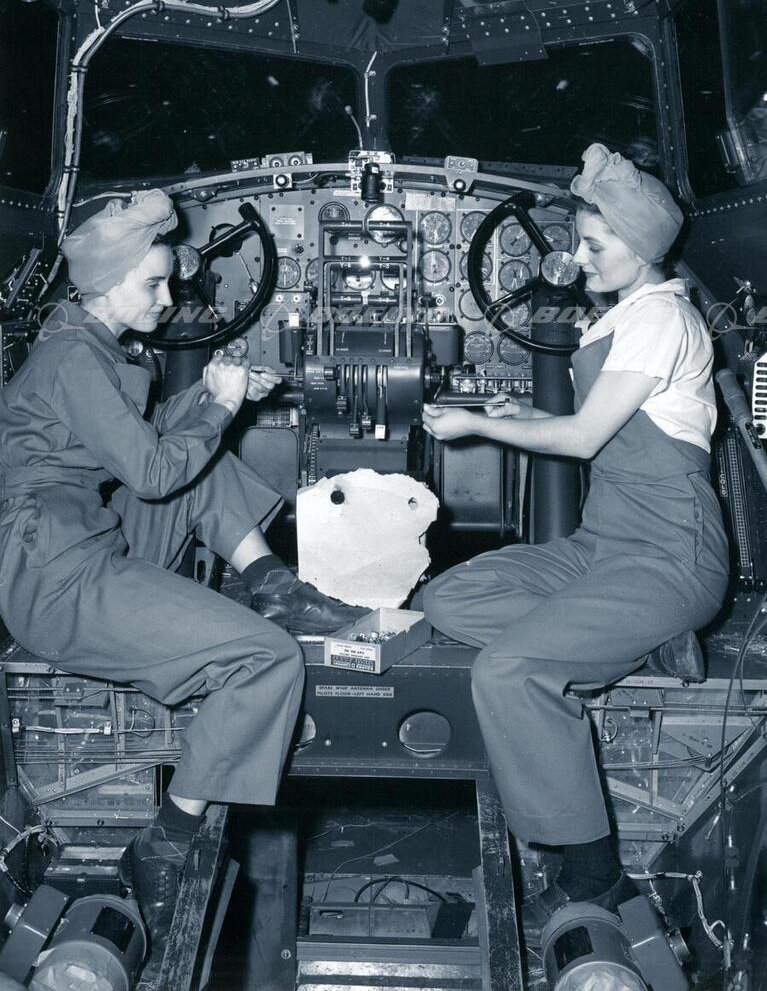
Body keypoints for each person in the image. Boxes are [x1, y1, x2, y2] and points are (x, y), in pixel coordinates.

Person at [0, 189, 364, 959]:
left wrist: (212, 395)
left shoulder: (87, 339)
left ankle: (274, 586)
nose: (168, 301)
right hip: (53, 574)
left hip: (81, 534)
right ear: (104, 285)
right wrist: (218, 410)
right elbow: (155, 471)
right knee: (267, 658)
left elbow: (150, 445)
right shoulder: (73, 357)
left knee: (203, 461)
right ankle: (163, 843)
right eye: (153, 284)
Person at [421, 143, 728, 941]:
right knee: (449, 596)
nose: (578, 259)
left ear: (642, 247)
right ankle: (626, 641)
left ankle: (592, 869)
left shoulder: (662, 318)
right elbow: (605, 424)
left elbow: (586, 437)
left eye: (594, 245)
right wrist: (513, 414)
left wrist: (478, 426)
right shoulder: (625, 316)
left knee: (510, 669)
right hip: (604, 545)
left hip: (670, 554)